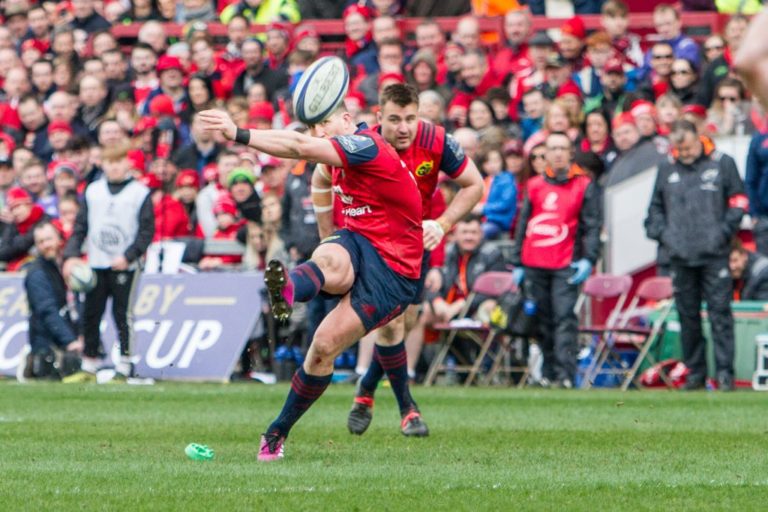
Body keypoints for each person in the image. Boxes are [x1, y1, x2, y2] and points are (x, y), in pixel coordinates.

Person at [199, 98, 424, 461]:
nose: (318, 134)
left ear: (348, 120)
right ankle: (287, 290)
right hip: (359, 241)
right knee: (330, 258)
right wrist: (327, 236)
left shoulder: (365, 144)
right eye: (314, 128)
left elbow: (300, 146)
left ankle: (278, 428)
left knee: (323, 347)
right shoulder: (333, 162)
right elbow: (319, 180)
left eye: (324, 125)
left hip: (394, 272)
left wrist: (237, 133)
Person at [348, 84, 484, 436]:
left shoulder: (436, 141)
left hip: (415, 244)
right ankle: (408, 410)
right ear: (380, 117)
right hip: (374, 244)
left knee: (405, 324)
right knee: (390, 325)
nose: (404, 127)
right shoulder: (363, 143)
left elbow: (474, 185)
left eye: (411, 118)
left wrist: (443, 225)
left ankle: (365, 390)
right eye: (395, 119)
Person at [645, 120, 747, 391]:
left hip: (714, 255)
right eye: (679, 148)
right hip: (680, 257)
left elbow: (739, 201)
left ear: (698, 139)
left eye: (688, 147)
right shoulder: (667, 167)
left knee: (720, 315)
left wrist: (723, 233)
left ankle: (725, 374)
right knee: (687, 317)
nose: (685, 153)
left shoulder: (722, 162)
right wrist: (666, 237)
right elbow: (654, 210)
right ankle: (695, 374)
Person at [512, 131, 602, 388]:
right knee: (541, 320)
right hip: (534, 262)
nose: (559, 153)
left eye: (563, 148)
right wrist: (517, 261)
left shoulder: (584, 185)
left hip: (566, 263)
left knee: (564, 318)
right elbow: (523, 224)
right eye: (553, 149)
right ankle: (548, 373)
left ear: (571, 153)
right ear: (546, 155)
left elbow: (592, 226)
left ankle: (565, 375)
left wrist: (589, 259)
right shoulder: (534, 185)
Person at [63, 142, 155, 379]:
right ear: (102, 163)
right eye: (109, 162)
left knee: (122, 314)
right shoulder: (93, 191)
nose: (114, 167)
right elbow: (81, 226)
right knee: (91, 313)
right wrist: (71, 255)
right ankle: (90, 363)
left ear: (128, 163)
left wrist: (129, 256)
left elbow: (146, 231)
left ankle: (125, 363)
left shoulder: (139, 193)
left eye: (118, 161)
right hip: (96, 261)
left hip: (125, 264)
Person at [22, 222, 83, 379]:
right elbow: (47, 311)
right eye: (40, 242)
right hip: (47, 348)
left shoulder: (65, 266)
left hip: (66, 342)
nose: (45, 245)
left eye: (48, 239)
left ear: (59, 239)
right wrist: (70, 341)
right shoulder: (36, 273)